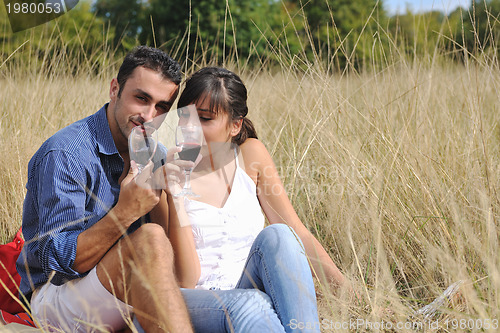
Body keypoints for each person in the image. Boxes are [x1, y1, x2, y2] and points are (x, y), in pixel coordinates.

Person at [16, 46, 191, 332]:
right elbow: (55, 264)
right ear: (114, 89)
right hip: (55, 297)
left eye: (161, 107)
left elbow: (178, 273)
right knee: (150, 238)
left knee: (240, 308)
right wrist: (125, 213)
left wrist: (175, 198)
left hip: (122, 287)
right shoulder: (65, 153)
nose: (149, 115)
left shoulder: (155, 153)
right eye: (141, 98)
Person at [166, 67, 350, 332]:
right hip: (196, 301)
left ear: (235, 125)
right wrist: (176, 195)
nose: (191, 128)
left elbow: (296, 231)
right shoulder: (167, 168)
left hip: (247, 288)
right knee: (252, 303)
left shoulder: (251, 155)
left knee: (279, 235)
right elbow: (185, 278)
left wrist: (349, 294)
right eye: (186, 117)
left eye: (205, 119)